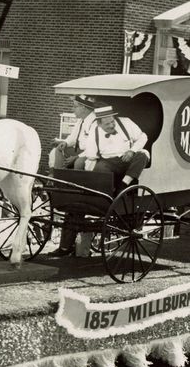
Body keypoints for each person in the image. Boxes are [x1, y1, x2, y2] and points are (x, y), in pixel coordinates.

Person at [50, 106, 149, 257]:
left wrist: (132, 150)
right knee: (100, 168)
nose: (111, 125)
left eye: (112, 121)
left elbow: (143, 137)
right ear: (99, 123)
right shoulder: (94, 132)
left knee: (143, 154)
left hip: (128, 159)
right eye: (107, 123)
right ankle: (103, 198)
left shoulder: (126, 123)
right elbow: (91, 154)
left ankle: (123, 185)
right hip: (108, 162)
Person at [49, 94, 98, 170]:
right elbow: (73, 137)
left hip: (89, 153)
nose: (72, 109)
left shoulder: (94, 123)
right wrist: (66, 143)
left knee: (79, 162)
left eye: (75, 107)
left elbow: (93, 148)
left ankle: (68, 176)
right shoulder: (81, 120)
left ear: (83, 107)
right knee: (58, 149)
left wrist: (76, 157)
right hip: (79, 151)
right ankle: (57, 174)